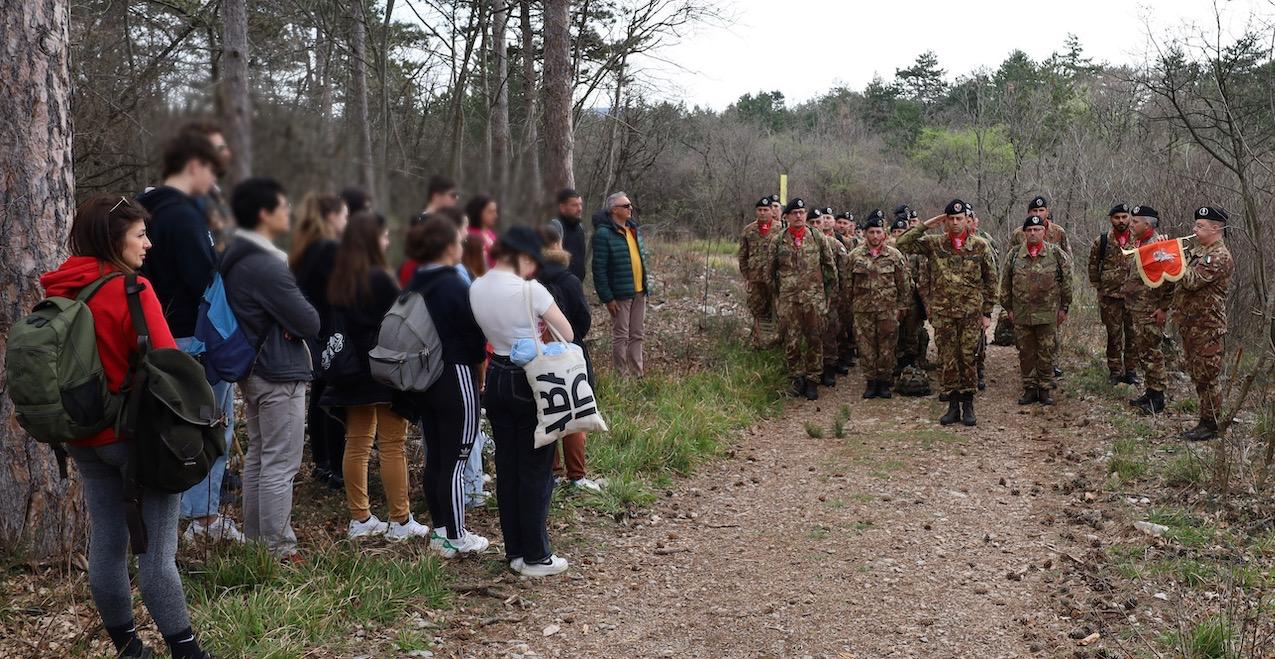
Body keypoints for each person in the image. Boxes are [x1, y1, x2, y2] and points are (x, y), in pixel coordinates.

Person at [41, 195, 212, 659]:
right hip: (135, 439)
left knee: (108, 543)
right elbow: (167, 361)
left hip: (82, 438)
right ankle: (187, 651)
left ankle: (129, 648)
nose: (149, 244)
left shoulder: (60, 290)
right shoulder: (131, 290)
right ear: (114, 240)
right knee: (155, 553)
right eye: (140, 235)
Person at [137, 129, 244, 543]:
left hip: (160, 334)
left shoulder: (144, 211)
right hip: (193, 338)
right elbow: (204, 281)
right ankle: (201, 521)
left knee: (169, 428)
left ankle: (175, 517)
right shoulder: (182, 216)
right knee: (208, 427)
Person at [223, 178, 320, 562]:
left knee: (261, 457)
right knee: (280, 462)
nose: (289, 212)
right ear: (264, 214)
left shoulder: (236, 257)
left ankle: (257, 542)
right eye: (283, 206)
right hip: (278, 371)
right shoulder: (265, 264)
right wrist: (293, 315)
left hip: (255, 369)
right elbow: (310, 321)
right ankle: (278, 549)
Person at [319, 212, 431, 542]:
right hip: (384, 368)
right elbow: (400, 323)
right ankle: (400, 520)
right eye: (383, 236)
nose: (388, 241)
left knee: (357, 443)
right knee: (392, 444)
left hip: (350, 370)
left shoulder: (339, 278)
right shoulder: (381, 279)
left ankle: (360, 517)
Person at [470, 227, 576, 577]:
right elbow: (569, 333)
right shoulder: (531, 290)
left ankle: (514, 550)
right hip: (530, 380)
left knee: (509, 468)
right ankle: (537, 556)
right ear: (523, 256)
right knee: (535, 469)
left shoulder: (477, 286)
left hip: (496, 377)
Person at [393, 216, 493, 555]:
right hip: (455, 373)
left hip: (423, 377)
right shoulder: (453, 282)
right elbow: (473, 333)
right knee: (458, 456)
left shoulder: (416, 279)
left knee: (436, 456)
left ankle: (440, 531)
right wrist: (481, 368)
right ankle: (456, 535)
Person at [897, 200, 997, 426]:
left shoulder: (980, 246)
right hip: (944, 314)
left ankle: (968, 404)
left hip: (971, 314)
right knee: (947, 358)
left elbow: (991, 281)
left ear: (966, 220)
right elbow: (902, 242)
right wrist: (928, 224)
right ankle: (952, 405)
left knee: (968, 358)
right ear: (946, 220)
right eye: (950, 218)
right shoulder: (935, 244)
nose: (955, 222)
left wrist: (987, 312)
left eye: (959, 218)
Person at [290, 192, 349, 489]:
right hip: (329, 330)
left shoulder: (305, 247)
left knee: (319, 395)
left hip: (316, 332)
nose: (346, 221)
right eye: (344, 215)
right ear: (330, 217)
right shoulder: (328, 249)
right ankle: (336, 466)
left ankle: (323, 462)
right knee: (332, 398)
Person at [540, 222, 601, 492]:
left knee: (546, 411)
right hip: (570, 354)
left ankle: (552, 473)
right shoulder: (569, 280)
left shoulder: (529, 280)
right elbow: (583, 321)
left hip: (537, 355)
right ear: (560, 243)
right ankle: (576, 476)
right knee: (576, 413)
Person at [1172, 206, 1234, 440]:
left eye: (1200, 226)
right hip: (1192, 324)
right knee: (1198, 374)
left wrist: (1173, 260)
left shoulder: (1219, 256)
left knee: (1208, 376)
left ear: (1216, 228)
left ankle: (1211, 424)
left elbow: (1191, 280)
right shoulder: (1199, 251)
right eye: (1196, 225)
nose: (1194, 229)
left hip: (1207, 326)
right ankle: (1205, 419)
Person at [765, 198, 836, 401]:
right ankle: (797, 378)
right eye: (794, 212)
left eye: (802, 212)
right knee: (792, 340)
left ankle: (813, 380)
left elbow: (829, 267)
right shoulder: (778, 240)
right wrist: (776, 297)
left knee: (814, 338)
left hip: (814, 299)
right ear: (786, 217)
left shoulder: (817, 238)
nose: (799, 216)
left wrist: (829, 295)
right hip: (789, 300)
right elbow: (769, 272)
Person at [1000, 216, 1073, 405]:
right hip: (1022, 313)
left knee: (1046, 351)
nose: (1033, 233)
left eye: (1037, 229)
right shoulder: (1015, 255)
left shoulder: (1056, 254)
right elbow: (1005, 283)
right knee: (1026, 352)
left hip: (1048, 313)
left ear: (1044, 232)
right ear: (1024, 233)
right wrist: (1008, 308)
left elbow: (1067, 281)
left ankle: (1045, 388)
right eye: (1029, 230)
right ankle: (1030, 388)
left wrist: (1064, 307)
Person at [845, 215, 910, 398]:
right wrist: (850, 307)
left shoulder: (894, 256)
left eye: (878, 232)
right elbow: (847, 284)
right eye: (871, 232)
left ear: (884, 234)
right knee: (866, 347)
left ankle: (884, 381)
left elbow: (903, 284)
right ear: (865, 234)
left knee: (887, 346)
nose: (875, 236)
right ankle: (871, 381)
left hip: (887, 310)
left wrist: (902, 307)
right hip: (862, 310)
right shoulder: (854, 256)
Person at [592, 191, 650, 378]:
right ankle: (622, 377)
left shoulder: (633, 229)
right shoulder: (603, 234)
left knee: (637, 334)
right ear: (614, 210)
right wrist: (608, 298)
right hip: (620, 295)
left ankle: (637, 374)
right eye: (626, 206)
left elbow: (641, 258)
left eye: (630, 205)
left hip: (639, 292)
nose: (630, 208)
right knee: (621, 336)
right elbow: (599, 269)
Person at [1123, 205, 1173, 415]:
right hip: (1137, 307)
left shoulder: (1158, 246)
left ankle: (1158, 397)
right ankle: (1150, 392)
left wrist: (1163, 308)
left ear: (1147, 224)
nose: (1130, 224)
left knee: (1153, 353)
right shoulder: (1139, 243)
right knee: (1144, 352)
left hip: (1150, 310)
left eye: (1135, 222)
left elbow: (1169, 280)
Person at [1088, 204, 1138, 385]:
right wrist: (1099, 289)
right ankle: (1115, 371)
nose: (1121, 221)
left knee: (1133, 335)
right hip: (1110, 297)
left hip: (1134, 297)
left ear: (1130, 218)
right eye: (1117, 217)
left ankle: (1131, 370)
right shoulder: (1101, 241)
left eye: (1124, 217)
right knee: (1113, 335)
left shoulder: (1138, 239)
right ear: (1111, 219)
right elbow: (1093, 267)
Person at [398, 175, 460, 286]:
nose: (456, 199)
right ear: (436, 196)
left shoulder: (448, 220)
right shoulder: (420, 222)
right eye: (452, 195)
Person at [739, 197, 778, 347]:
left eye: (766, 210)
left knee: (776, 310)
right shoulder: (749, 230)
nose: (762, 213)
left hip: (774, 279)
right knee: (757, 310)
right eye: (760, 210)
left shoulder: (780, 229)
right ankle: (758, 342)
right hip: (756, 279)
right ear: (756, 211)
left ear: (771, 211)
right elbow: (743, 255)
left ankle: (775, 342)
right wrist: (747, 276)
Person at [555, 188, 589, 281]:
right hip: (559, 286)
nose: (579, 209)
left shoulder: (580, 227)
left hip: (576, 285)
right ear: (562, 208)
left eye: (580, 204)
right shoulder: (556, 226)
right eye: (574, 205)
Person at [465, 195, 500, 267]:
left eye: (495, 211)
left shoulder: (491, 234)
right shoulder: (469, 234)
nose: (495, 215)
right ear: (478, 212)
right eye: (490, 212)